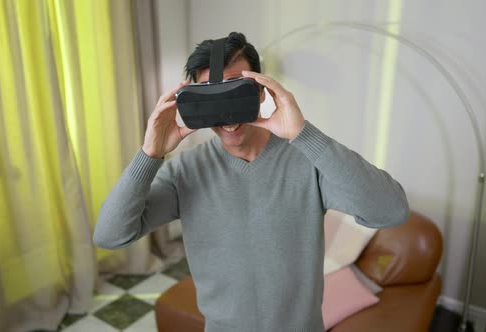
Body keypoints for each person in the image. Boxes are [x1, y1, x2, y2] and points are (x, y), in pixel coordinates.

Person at [94, 32, 409, 332]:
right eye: (211, 97)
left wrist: (304, 135)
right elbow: (110, 235)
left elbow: (391, 211)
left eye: (236, 90)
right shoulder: (186, 171)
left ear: (260, 90)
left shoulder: (306, 160)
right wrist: (149, 153)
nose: (228, 116)